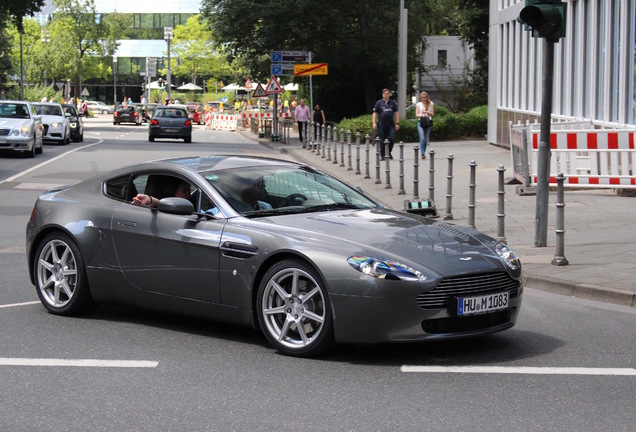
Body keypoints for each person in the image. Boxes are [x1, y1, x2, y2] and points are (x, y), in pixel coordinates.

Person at [372, 88, 400, 160]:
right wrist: (374, 123)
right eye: (385, 94)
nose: (386, 95)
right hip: (381, 124)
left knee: (391, 139)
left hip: (391, 125)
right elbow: (375, 114)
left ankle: (388, 152)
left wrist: (397, 123)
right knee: (382, 140)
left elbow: (396, 113)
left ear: (389, 95)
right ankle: (382, 154)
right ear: (382, 95)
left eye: (387, 94)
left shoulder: (393, 103)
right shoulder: (378, 103)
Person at [416, 91, 434, 159]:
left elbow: (432, 114)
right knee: (422, 138)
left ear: (427, 97)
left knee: (426, 139)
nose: (424, 99)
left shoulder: (430, 103)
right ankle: (422, 153)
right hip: (421, 122)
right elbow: (416, 114)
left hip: (428, 121)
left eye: (425, 97)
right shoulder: (418, 104)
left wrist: (428, 112)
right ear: (420, 98)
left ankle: (423, 151)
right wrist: (421, 114)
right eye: (422, 97)